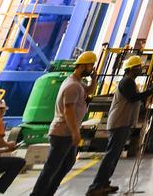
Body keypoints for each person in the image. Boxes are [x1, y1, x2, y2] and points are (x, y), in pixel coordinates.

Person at [29, 50, 96, 196]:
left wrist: (94, 78)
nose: (92, 69)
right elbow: (68, 110)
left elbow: (89, 91)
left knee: (66, 164)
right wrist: (75, 132)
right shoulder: (73, 85)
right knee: (51, 168)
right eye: (91, 66)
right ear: (83, 66)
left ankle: (48, 192)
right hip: (63, 133)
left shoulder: (77, 83)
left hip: (67, 133)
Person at [87, 55, 153, 196]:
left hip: (123, 123)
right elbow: (133, 98)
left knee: (114, 156)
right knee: (111, 156)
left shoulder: (130, 82)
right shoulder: (126, 82)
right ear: (130, 69)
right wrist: (152, 90)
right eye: (138, 67)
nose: (141, 69)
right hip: (119, 123)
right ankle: (96, 186)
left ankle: (104, 183)